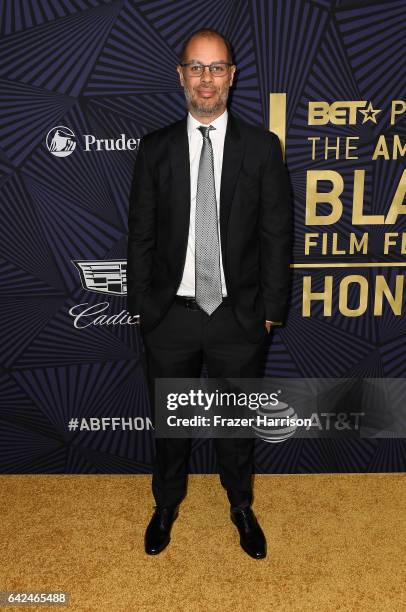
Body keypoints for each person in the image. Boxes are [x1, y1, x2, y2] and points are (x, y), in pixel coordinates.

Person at [127, 28, 292, 559]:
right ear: (181, 75)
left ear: (232, 76)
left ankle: (240, 504)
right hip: (169, 315)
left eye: (216, 67)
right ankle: (167, 503)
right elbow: (141, 235)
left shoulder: (263, 149)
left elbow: (276, 235)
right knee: (170, 426)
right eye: (196, 68)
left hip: (237, 315)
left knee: (236, 425)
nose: (206, 79)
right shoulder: (154, 149)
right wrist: (144, 309)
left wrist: (270, 311)